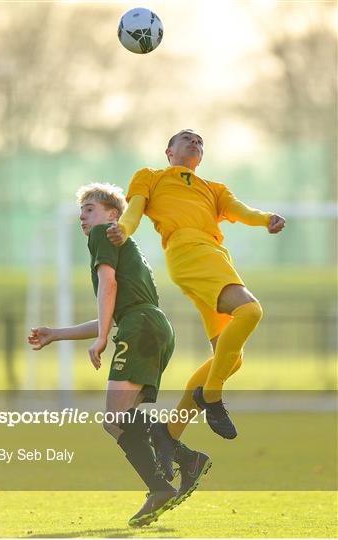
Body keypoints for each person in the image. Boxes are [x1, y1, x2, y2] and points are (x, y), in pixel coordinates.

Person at [27, 182, 211, 527]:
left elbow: (109, 288)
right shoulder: (127, 245)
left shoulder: (104, 235)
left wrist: (100, 340)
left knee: (114, 419)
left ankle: (163, 484)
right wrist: (58, 334)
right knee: (121, 418)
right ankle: (185, 461)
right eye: (82, 211)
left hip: (139, 326)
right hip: (152, 326)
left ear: (114, 215)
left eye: (90, 209)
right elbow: (117, 311)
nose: (84, 216)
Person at [106, 129, 286, 477]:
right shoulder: (151, 177)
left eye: (200, 141)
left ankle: (169, 435)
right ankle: (211, 396)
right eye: (186, 138)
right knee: (250, 310)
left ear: (201, 156)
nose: (194, 142)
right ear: (168, 150)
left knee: (230, 359)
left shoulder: (214, 189)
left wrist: (266, 219)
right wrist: (123, 231)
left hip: (215, 256)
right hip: (188, 253)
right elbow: (134, 212)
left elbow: (241, 210)